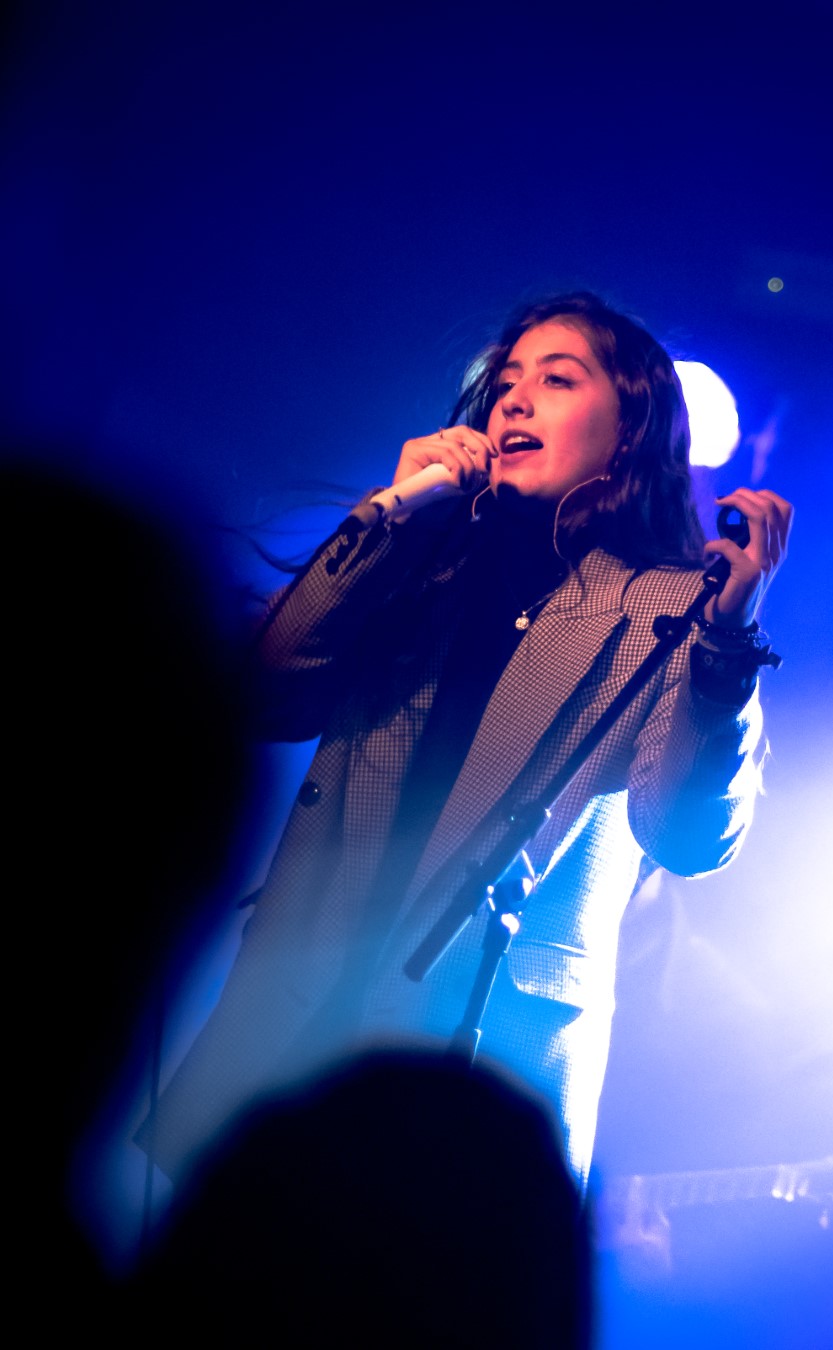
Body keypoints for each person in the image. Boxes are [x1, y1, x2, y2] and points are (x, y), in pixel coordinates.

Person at [145, 291, 793, 1189]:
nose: (514, 399)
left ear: (629, 432)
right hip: (299, 1027)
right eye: (505, 382)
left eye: (557, 380)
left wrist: (727, 644)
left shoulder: (672, 608)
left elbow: (689, 837)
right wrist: (394, 511)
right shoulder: (421, 558)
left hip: (482, 1067)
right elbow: (267, 693)